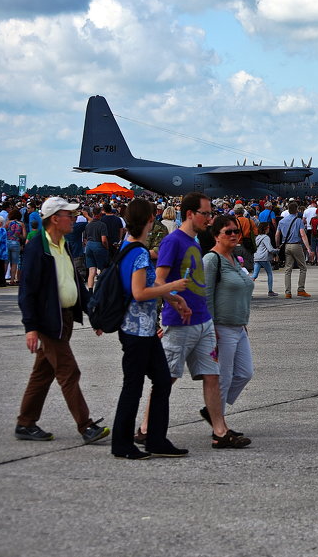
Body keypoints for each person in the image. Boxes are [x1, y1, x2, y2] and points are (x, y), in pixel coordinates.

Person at [142, 192, 250, 449]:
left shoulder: (194, 242)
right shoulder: (173, 241)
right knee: (166, 378)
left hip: (202, 322)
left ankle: (220, 431)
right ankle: (146, 429)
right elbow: (158, 281)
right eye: (206, 214)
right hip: (180, 323)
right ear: (190, 214)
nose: (209, 218)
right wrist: (174, 301)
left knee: (213, 376)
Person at [14, 197, 110, 445]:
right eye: (69, 214)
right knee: (69, 371)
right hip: (48, 322)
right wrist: (31, 327)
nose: (74, 218)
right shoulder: (38, 248)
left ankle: (25, 423)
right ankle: (86, 426)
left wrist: (93, 313)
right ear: (55, 219)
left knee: (42, 373)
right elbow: (27, 291)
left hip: (64, 319)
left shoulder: (63, 245)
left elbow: (76, 283)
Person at [111, 198, 191, 459]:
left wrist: (172, 298)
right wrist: (173, 287)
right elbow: (139, 292)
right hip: (136, 330)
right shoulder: (139, 252)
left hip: (143, 329)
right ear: (150, 219)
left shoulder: (128, 246)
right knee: (133, 386)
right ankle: (122, 444)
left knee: (161, 381)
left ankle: (156, 439)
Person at [204, 215, 255, 431]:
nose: (234, 235)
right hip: (221, 328)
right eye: (228, 231)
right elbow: (205, 295)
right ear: (216, 235)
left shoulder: (235, 259)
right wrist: (211, 328)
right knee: (222, 378)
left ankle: (212, 410)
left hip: (239, 326)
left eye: (236, 231)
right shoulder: (211, 260)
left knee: (244, 373)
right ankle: (219, 425)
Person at [277, 201, 312, 298]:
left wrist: (278, 245)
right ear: (296, 210)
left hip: (286, 245)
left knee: (288, 269)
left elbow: (277, 235)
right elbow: (302, 234)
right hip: (296, 245)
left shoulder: (282, 221)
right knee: (303, 268)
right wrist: (308, 248)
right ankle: (301, 289)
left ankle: (288, 292)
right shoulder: (298, 220)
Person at [251, 220, 278, 297]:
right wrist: (277, 250)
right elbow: (270, 249)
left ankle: (248, 291)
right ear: (266, 228)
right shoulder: (266, 237)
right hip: (264, 258)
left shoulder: (257, 237)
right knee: (269, 273)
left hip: (256, 257)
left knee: (254, 275)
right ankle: (270, 291)